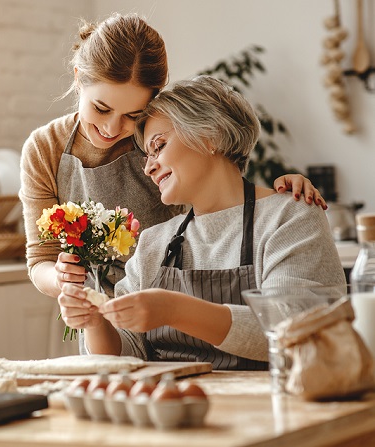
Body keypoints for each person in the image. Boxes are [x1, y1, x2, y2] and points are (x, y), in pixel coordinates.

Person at [19, 13, 326, 354]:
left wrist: (279, 195)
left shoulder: (287, 219)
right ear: (79, 80)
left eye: (134, 119)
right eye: (101, 108)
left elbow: (222, 189)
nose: (111, 128)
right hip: (118, 330)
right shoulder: (153, 243)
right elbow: (43, 259)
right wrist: (85, 305)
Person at [58, 75, 346, 369]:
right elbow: (127, 354)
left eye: (159, 146)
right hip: (176, 408)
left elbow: (295, 329)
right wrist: (95, 322)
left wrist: (174, 309)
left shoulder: (289, 217)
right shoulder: (153, 243)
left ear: (210, 135)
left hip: (270, 406)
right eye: (146, 155)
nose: (149, 167)